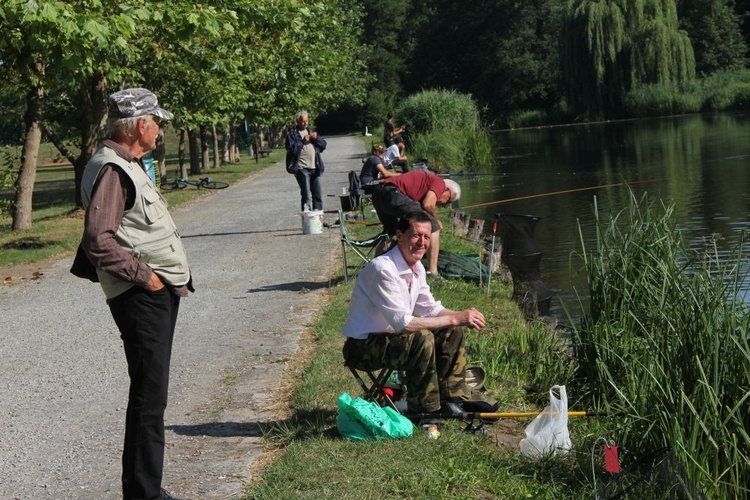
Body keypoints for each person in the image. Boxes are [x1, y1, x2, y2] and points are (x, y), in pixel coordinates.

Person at [79, 88, 192, 500]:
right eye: (156, 121)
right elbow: (98, 241)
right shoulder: (113, 169)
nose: (160, 129)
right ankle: (145, 494)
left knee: (150, 395)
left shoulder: (126, 163)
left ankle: (145, 490)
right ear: (141, 124)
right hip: (142, 297)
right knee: (149, 398)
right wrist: (146, 277)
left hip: (152, 295)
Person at [342, 212, 486, 421]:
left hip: (389, 341)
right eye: (416, 235)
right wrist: (456, 318)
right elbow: (404, 324)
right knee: (422, 337)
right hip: (362, 348)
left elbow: (431, 309)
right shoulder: (383, 269)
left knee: (452, 330)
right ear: (400, 236)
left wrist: (463, 316)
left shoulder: (417, 267)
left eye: (427, 237)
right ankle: (423, 410)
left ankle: (450, 399)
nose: (423, 242)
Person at [370, 170, 460, 276]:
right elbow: (428, 205)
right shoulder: (439, 183)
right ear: (447, 189)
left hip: (378, 193)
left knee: (390, 231)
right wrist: (436, 220)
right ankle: (432, 272)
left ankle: (375, 267)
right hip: (392, 192)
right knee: (433, 226)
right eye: (448, 200)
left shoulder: (427, 183)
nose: (445, 203)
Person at [285, 111, 327, 212]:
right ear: (297, 122)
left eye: (307, 121)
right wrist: (302, 142)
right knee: (306, 195)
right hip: (301, 168)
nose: (305, 123)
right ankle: (307, 220)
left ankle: (317, 220)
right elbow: (291, 151)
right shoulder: (292, 134)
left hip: (315, 167)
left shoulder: (311, 131)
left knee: (318, 195)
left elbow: (323, 145)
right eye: (303, 121)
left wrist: (316, 139)